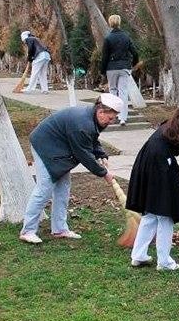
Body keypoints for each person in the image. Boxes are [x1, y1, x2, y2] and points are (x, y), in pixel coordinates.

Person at [19, 93, 123, 244]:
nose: (111, 122)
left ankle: (59, 229)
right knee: (44, 188)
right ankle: (27, 231)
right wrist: (103, 173)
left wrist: (102, 154)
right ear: (101, 111)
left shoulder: (93, 118)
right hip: (45, 146)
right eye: (110, 118)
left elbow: (92, 139)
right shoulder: (82, 124)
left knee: (63, 188)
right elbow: (84, 154)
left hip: (59, 148)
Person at [127, 100, 179, 271]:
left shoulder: (176, 120)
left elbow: (178, 146)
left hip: (147, 159)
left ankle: (138, 255)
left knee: (151, 212)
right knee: (166, 213)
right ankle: (164, 262)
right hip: (161, 163)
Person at [100, 15, 139, 126]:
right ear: (119, 22)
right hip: (124, 67)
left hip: (111, 68)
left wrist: (102, 70)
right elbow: (135, 52)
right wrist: (133, 64)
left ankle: (114, 115)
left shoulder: (108, 38)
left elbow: (105, 57)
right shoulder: (126, 37)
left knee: (113, 91)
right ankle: (123, 118)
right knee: (123, 92)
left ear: (110, 23)